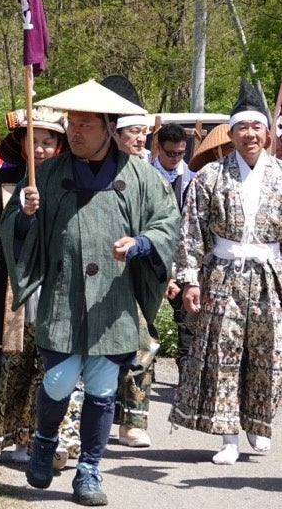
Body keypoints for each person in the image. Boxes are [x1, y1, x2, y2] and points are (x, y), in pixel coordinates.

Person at [2, 80, 179, 506]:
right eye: (71, 123)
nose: (74, 132)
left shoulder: (139, 175)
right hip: (63, 295)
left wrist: (141, 244)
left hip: (112, 300)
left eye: (84, 125)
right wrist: (26, 217)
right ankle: (44, 440)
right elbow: (13, 232)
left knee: (102, 387)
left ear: (109, 128)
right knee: (59, 380)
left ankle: (89, 470)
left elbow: (166, 221)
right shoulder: (46, 174)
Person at [169, 80, 282, 465]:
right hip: (223, 276)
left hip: (270, 276)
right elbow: (191, 232)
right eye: (242, 129)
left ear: (267, 133)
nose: (250, 135)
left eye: (256, 128)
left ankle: (258, 422)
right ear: (231, 133)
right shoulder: (209, 177)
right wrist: (189, 278)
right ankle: (228, 436)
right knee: (224, 353)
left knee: (271, 353)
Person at [0, 106, 71, 464]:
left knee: (54, 365)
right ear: (21, 145)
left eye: (49, 141)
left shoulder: (73, 184)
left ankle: (45, 438)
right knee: (13, 363)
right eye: (34, 141)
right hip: (12, 288)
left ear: (60, 145)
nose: (41, 149)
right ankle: (10, 435)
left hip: (61, 289)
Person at [107, 110, 160, 449]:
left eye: (144, 133)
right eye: (134, 132)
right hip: (94, 273)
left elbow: (167, 223)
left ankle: (133, 422)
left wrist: (145, 243)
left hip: (135, 274)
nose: (141, 139)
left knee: (143, 346)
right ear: (114, 132)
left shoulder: (150, 176)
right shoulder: (91, 168)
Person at [151, 123, 195, 383]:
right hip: (152, 258)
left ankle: (186, 377)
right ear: (158, 148)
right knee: (147, 317)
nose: (176, 158)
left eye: (181, 153)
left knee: (187, 320)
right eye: (171, 153)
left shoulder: (192, 178)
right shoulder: (144, 176)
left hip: (183, 258)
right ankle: (145, 371)